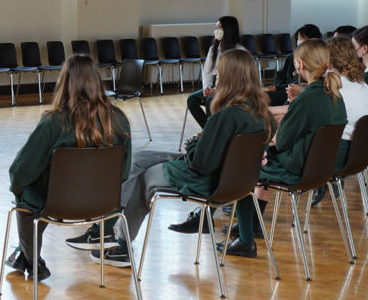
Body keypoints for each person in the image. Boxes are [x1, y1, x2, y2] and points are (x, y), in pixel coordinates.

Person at [95, 50, 275, 266]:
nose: (216, 77)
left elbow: (200, 163)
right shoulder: (264, 116)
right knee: (140, 158)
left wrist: (193, 143)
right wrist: (203, 141)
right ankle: (107, 223)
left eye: (219, 73)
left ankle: (122, 247)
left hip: (206, 178)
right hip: (234, 179)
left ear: (228, 77)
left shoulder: (226, 116)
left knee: (145, 179)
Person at [7, 55, 131, 278]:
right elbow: (124, 173)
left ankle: (31, 259)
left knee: (26, 194)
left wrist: (19, 189)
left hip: (55, 204)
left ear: (64, 83)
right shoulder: (119, 120)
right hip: (104, 205)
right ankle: (26, 256)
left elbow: (19, 172)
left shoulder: (53, 123)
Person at [222, 39, 347, 258]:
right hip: (321, 169)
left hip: (298, 168)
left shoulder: (307, 99)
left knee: (244, 169)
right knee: (256, 160)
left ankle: (245, 239)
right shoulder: (335, 96)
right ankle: (249, 225)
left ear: (299, 64)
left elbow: (282, 142)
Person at [308, 37, 368, 207]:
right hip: (360, 155)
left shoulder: (337, 86)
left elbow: (312, 115)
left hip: (337, 156)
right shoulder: (360, 82)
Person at [187, 16, 248, 128]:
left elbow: (237, 79)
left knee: (211, 101)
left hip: (231, 87)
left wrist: (216, 90)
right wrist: (207, 88)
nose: (216, 30)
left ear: (228, 30)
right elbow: (207, 72)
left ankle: (214, 131)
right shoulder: (213, 49)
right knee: (192, 100)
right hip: (215, 84)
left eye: (219, 27)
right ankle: (208, 129)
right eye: (215, 27)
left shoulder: (239, 51)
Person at [267, 24, 321, 107]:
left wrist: (281, 88)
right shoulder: (291, 57)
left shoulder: (317, 59)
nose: (299, 41)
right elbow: (280, 76)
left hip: (299, 92)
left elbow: (302, 85)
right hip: (286, 90)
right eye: (298, 39)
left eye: (302, 38)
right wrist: (278, 87)